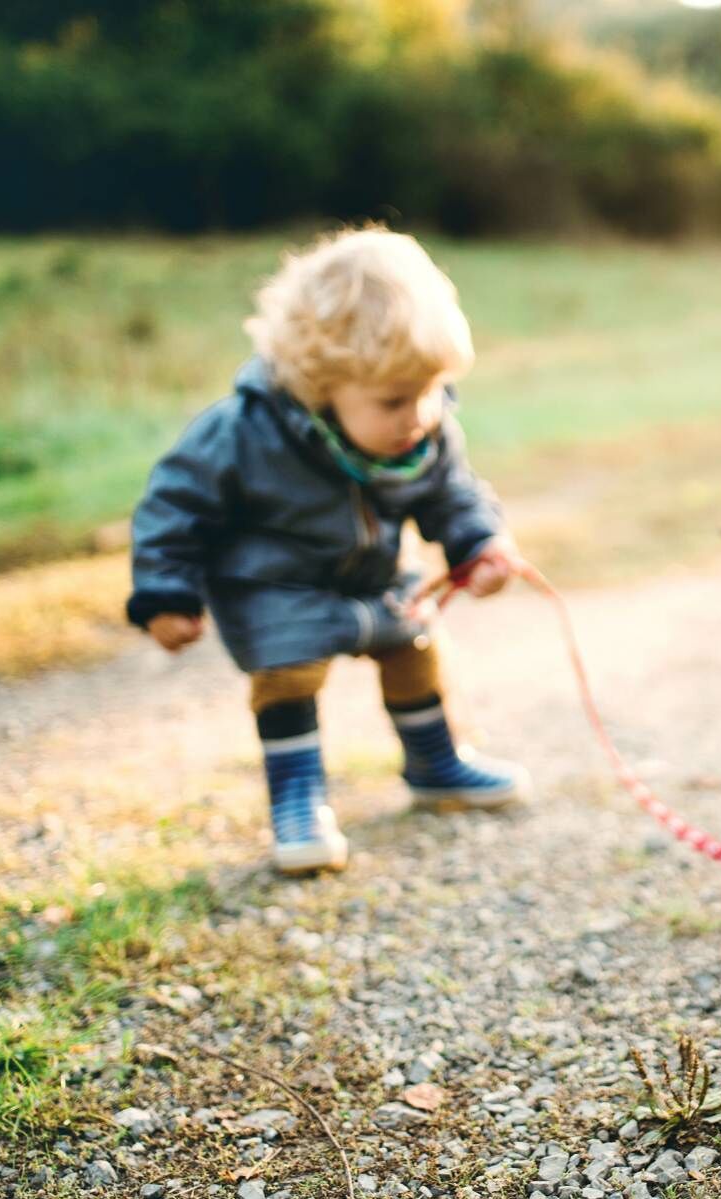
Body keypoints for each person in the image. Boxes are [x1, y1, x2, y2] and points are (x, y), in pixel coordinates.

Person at [125, 227, 528, 874]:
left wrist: (478, 545)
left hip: (373, 577)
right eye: (395, 400)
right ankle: (298, 801)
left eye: (430, 390)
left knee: (415, 647)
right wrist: (165, 594)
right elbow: (173, 509)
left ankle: (434, 764)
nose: (420, 414)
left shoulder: (422, 430)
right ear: (320, 385)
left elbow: (452, 494)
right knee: (290, 672)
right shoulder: (240, 434)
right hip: (271, 588)